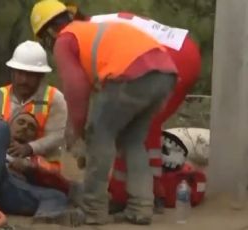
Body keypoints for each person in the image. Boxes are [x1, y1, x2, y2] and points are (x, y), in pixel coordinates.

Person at [30, 0, 178, 226]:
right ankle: (141, 207)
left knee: (100, 134)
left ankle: (93, 210)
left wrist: (76, 131)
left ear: (48, 32)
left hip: (130, 75)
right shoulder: (89, 29)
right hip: (165, 74)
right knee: (132, 141)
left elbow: (76, 89)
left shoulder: (65, 39)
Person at [64, 8, 202, 214]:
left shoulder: (78, 35)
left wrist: (79, 132)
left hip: (163, 58)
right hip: (181, 53)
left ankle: (122, 195)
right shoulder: (101, 23)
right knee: (141, 130)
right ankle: (148, 196)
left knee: (122, 128)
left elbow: (79, 90)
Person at [0, 40, 67, 170]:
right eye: (20, 73)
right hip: (1, 164)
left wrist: (29, 148)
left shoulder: (54, 98)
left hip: (40, 170)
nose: (24, 80)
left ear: (41, 76)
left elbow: (57, 136)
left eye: (30, 75)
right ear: (12, 72)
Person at [0, 112, 68, 218]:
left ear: (34, 138)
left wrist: (30, 168)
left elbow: (60, 183)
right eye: (21, 122)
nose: (25, 127)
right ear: (9, 125)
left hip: (13, 189)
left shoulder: (36, 159)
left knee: (57, 196)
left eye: (31, 127)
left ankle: (43, 222)